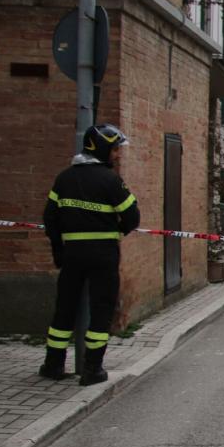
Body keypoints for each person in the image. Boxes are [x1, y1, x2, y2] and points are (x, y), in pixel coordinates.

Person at [40, 125, 140, 386]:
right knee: (101, 309)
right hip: (103, 256)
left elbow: (49, 218)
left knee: (64, 308)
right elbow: (132, 217)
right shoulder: (110, 180)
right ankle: (92, 369)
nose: (118, 155)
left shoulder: (64, 178)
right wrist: (118, 229)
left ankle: (53, 364)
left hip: (72, 254)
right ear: (103, 148)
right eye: (116, 149)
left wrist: (58, 250)